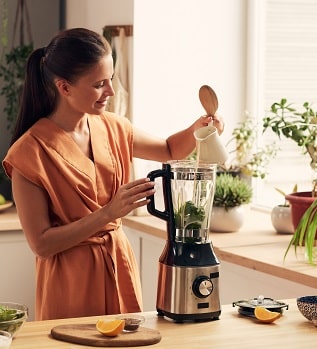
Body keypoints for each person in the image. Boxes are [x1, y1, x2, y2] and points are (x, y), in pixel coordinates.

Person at [2, 28, 224, 321]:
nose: (111, 91)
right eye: (99, 85)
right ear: (64, 87)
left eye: (111, 80)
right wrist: (108, 213)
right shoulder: (28, 153)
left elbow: (170, 149)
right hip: (70, 283)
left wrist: (200, 128)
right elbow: (41, 244)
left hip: (119, 266)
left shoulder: (112, 126)